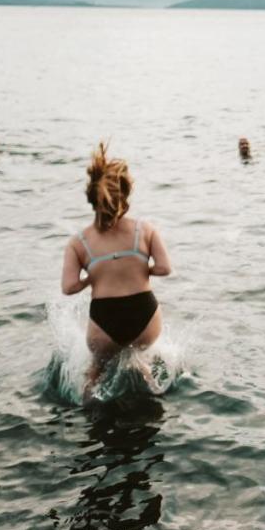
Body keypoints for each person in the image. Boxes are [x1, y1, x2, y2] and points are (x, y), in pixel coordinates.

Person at [61, 143, 172, 394]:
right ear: (126, 195)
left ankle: (90, 417)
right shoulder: (145, 230)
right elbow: (165, 268)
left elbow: (68, 287)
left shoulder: (79, 242)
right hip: (145, 318)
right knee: (137, 354)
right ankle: (153, 389)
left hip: (104, 321)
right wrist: (142, 268)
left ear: (91, 199)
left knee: (96, 372)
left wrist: (92, 277)